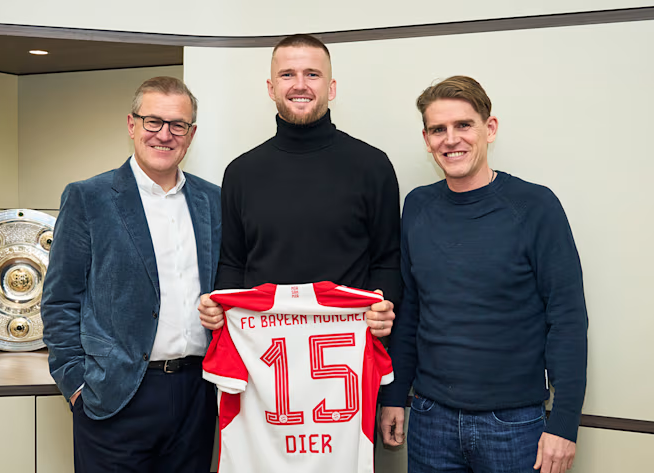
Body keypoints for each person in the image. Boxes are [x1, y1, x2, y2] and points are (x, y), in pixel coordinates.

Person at [379, 76, 588, 473]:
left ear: (489, 129)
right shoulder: (418, 207)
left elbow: (567, 319)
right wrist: (393, 395)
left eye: (463, 125)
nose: (451, 139)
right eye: (438, 129)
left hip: (514, 425)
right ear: (426, 140)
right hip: (429, 419)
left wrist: (564, 423)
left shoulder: (535, 206)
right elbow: (411, 312)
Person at [41, 76, 221, 473]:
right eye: (153, 121)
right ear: (131, 124)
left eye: (178, 125)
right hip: (115, 396)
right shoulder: (89, 198)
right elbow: (60, 299)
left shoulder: (213, 200)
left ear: (191, 134)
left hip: (197, 394)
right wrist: (77, 385)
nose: (164, 135)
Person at [198, 34, 399, 337]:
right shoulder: (240, 173)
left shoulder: (373, 166)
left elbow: (387, 261)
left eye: (312, 74)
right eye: (288, 74)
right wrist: (219, 306)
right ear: (271, 88)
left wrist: (385, 304)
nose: (300, 84)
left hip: (346, 347)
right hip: (263, 349)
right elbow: (233, 264)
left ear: (331, 88)